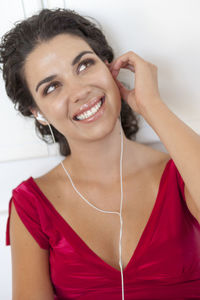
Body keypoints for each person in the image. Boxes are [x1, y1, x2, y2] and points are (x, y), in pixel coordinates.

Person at [1, 8, 200, 300]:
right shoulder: (32, 205)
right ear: (38, 113)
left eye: (84, 66)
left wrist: (152, 105)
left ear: (110, 67)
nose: (80, 91)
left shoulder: (181, 173)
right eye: (53, 87)